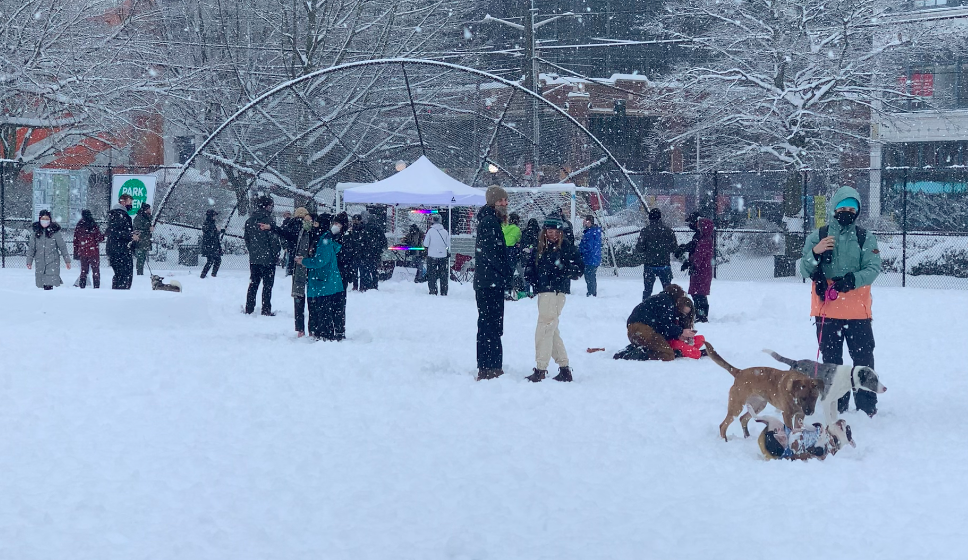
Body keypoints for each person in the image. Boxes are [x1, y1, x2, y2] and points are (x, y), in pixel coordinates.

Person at [800, 186, 881, 417]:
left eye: (851, 208)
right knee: (832, 363)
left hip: (858, 313)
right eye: (842, 207)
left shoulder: (865, 237)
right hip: (827, 312)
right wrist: (815, 253)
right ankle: (838, 404)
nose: (846, 212)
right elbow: (803, 269)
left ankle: (866, 406)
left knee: (863, 360)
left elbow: (874, 267)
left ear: (857, 212)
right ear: (834, 208)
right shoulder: (818, 235)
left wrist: (852, 280)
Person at [523, 215, 584, 382]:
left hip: (556, 291)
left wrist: (561, 269)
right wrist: (531, 274)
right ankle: (564, 368)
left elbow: (579, 270)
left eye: (557, 232)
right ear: (545, 231)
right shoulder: (540, 247)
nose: (553, 235)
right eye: (550, 231)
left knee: (544, 328)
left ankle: (541, 368)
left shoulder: (566, 248)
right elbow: (532, 264)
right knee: (551, 329)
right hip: (544, 291)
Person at [474, 186, 513, 380]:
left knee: (489, 324)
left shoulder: (489, 221)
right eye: (501, 201)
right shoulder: (489, 222)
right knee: (491, 325)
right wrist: (507, 272)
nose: (505, 204)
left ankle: (489, 365)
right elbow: (493, 254)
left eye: (505, 200)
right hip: (490, 282)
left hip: (488, 281)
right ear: (493, 203)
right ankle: (489, 367)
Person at [614, 284, 697, 362]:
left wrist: (677, 335)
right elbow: (666, 325)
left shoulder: (659, 299)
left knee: (656, 346)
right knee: (668, 355)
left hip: (633, 329)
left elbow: (661, 326)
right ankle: (633, 354)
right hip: (643, 329)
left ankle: (632, 350)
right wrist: (681, 332)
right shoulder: (667, 302)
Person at [297, 213, 344, 341]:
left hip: (323, 282)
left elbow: (321, 261)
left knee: (323, 312)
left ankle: (324, 335)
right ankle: (324, 333)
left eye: (316, 223)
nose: (313, 226)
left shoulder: (324, 241)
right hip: (326, 282)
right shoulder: (325, 238)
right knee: (325, 311)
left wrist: (304, 262)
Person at [243, 195, 282, 315]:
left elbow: (247, 239)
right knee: (267, 285)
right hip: (268, 259)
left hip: (254, 259)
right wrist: (276, 253)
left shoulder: (249, 221)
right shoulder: (269, 221)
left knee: (253, 283)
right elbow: (273, 240)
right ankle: (266, 309)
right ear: (266, 206)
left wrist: (253, 251)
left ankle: (249, 308)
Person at [288, 210, 321, 337]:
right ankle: (300, 329)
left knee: (312, 301)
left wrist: (307, 260)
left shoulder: (317, 235)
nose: (306, 223)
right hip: (300, 271)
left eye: (309, 220)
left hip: (312, 271)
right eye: (304, 220)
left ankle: (312, 328)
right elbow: (287, 235)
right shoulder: (299, 232)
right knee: (299, 299)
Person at [677, 211, 714, 322]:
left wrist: (691, 264)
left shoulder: (704, 241)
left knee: (699, 294)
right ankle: (700, 314)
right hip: (701, 270)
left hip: (701, 270)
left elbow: (699, 256)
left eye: (700, 226)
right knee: (698, 293)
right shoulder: (704, 239)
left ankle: (701, 315)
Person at [636, 208, 678, 301]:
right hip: (665, 265)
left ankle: (645, 309)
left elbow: (640, 248)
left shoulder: (645, 231)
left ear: (650, 218)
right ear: (660, 218)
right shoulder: (668, 231)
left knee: (647, 290)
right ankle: (669, 308)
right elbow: (674, 248)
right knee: (668, 291)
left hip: (649, 265)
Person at [26, 209, 71, 289]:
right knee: (41, 285)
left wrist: (67, 260)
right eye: (43, 219)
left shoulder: (55, 232)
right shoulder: (35, 232)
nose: (45, 221)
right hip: (40, 262)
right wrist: (29, 261)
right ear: (39, 219)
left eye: (47, 219)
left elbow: (62, 246)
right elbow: (31, 248)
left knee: (49, 284)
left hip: (52, 262)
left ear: (50, 220)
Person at [106, 193, 139, 290]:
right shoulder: (118, 214)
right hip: (120, 250)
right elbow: (115, 232)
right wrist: (130, 235)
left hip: (119, 249)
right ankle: (121, 295)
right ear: (122, 202)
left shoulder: (119, 214)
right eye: (129, 201)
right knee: (124, 275)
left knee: (121, 275)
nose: (131, 204)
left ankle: (119, 293)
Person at [331, 212, 354, 340]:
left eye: (337, 224)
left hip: (341, 274)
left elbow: (346, 257)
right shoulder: (332, 237)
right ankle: (334, 328)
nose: (335, 226)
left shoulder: (346, 238)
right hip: (334, 274)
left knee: (339, 303)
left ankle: (339, 330)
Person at [73, 209, 103, 289]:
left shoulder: (79, 225)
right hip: (93, 251)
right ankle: (96, 286)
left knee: (84, 270)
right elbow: (99, 238)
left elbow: (76, 240)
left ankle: (82, 285)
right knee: (95, 270)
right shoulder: (93, 225)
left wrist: (76, 252)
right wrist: (104, 235)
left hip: (83, 250)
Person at [358, 212, 387, 291]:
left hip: (367, 253)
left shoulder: (365, 228)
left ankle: (368, 285)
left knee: (366, 270)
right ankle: (374, 285)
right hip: (376, 253)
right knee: (374, 270)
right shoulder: (378, 228)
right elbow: (384, 241)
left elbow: (362, 241)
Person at [423, 214, 451, 296]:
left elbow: (426, 243)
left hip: (432, 256)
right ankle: (444, 291)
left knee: (432, 274)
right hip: (443, 256)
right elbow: (448, 244)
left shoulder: (430, 231)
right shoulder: (445, 232)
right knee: (443, 274)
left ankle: (433, 290)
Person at [578, 214, 603, 297]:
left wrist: (580, 250)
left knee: (589, 276)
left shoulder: (590, 233)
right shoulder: (594, 231)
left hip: (590, 258)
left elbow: (588, 246)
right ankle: (592, 292)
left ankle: (591, 293)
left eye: (585, 221)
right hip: (594, 258)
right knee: (591, 276)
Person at [519, 218, 540, 298]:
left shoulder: (525, 232)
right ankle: (535, 291)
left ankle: (526, 292)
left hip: (525, 256)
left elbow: (522, 244)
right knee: (534, 275)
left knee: (526, 275)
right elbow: (537, 245)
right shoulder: (538, 233)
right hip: (535, 257)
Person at [502, 212, 522, 299]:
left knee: (502, 272)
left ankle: (500, 290)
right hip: (511, 252)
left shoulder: (503, 227)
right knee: (510, 273)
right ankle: (507, 291)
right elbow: (519, 240)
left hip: (501, 250)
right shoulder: (517, 230)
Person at [200, 209, 224, 278]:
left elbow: (213, 232)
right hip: (210, 246)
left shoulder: (211, 223)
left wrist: (220, 231)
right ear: (211, 216)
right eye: (214, 215)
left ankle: (212, 275)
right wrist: (218, 231)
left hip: (213, 245)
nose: (215, 217)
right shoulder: (207, 223)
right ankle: (203, 275)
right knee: (211, 260)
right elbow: (210, 234)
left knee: (217, 260)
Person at [133, 203, 153, 276]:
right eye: (148, 209)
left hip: (145, 241)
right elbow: (137, 229)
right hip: (141, 241)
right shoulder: (139, 218)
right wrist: (148, 229)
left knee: (143, 258)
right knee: (140, 258)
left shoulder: (147, 218)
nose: (150, 210)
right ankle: (139, 273)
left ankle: (140, 272)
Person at [349, 214, 366, 290]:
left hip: (361, 252)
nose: (354, 222)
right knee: (354, 271)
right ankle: (355, 285)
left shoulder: (363, 229)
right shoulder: (352, 229)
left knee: (361, 270)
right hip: (354, 252)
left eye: (356, 220)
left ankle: (361, 286)